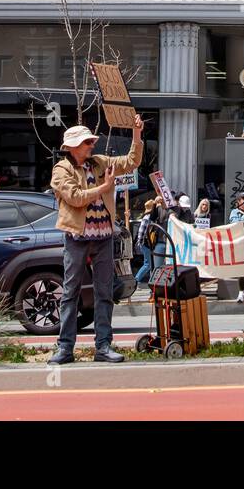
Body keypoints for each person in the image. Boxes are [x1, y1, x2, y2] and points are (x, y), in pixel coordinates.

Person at [48, 117, 144, 365]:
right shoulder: (61, 170)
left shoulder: (99, 162)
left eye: (91, 141)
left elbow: (131, 161)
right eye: (86, 142)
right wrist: (104, 188)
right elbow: (76, 197)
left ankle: (103, 346)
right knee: (70, 292)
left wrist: (136, 134)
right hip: (77, 238)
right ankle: (65, 348)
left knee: (104, 292)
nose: (91, 144)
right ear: (72, 147)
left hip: (103, 237)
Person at [133, 198, 157, 292]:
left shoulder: (147, 216)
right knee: (148, 264)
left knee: (150, 265)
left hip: (146, 243)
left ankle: (151, 284)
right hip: (146, 244)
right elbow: (141, 231)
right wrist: (140, 242)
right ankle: (136, 281)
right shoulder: (148, 218)